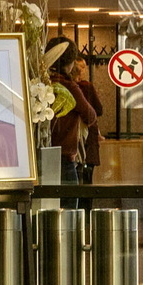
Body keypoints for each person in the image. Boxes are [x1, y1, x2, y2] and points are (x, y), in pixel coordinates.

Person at [44, 37, 102, 183]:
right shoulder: (68, 86)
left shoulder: (40, 84)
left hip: (41, 154)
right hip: (64, 156)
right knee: (68, 204)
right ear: (70, 63)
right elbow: (91, 115)